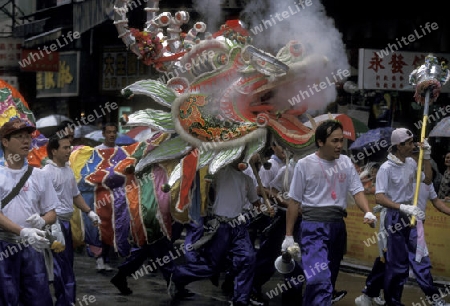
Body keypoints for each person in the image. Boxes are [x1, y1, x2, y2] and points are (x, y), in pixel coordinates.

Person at [282, 119, 376, 305]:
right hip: (313, 228)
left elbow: (357, 190)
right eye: (334, 141)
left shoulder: (346, 162)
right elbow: (294, 202)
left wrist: (367, 211)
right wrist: (289, 236)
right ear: (320, 142)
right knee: (319, 278)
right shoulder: (304, 164)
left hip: (337, 227)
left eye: (341, 140)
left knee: (328, 281)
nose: (340, 145)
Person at [357, 145, 450, 306]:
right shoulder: (394, 172)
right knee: (387, 263)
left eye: (417, 156)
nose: (413, 158)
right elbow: (378, 193)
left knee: (420, 263)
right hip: (393, 224)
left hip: (415, 227)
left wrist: (426, 156)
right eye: (413, 155)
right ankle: (373, 294)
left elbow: (436, 201)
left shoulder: (424, 181)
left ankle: (434, 299)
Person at [167, 159, 265, 306]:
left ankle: (240, 300)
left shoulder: (248, 179)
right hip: (221, 226)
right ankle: (178, 275)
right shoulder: (220, 172)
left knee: (248, 259)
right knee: (212, 266)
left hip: (239, 227)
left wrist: (266, 209)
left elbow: (256, 202)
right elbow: (207, 182)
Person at [0, 117, 59, 305]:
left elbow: (52, 212)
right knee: (7, 297)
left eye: (28, 136)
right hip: (4, 246)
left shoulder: (39, 175)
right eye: (19, 136)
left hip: (33, 247)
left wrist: (42, 221)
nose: (26, 141)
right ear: (5, 142)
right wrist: (23, 231)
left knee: (38, 297)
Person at [41, 134, 100, 305]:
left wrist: (89, 212)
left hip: (66, 223)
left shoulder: (67, 170)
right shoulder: (46, 173)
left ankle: (66, 300)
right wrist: (50, 225)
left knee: (66, 265)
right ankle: (65, 301)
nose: (69, 150)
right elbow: (41, 201)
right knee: (61, 267)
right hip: (54, 224)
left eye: (69, 147)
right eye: (65, 148)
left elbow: (75, 195)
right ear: (54, 151)